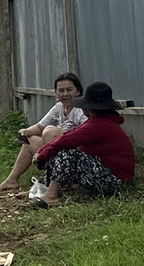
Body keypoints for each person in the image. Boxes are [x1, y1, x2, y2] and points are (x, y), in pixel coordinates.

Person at [30, 81, 134, 209]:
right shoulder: (98, 123)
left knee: (68, 153)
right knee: (63, 149)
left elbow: (65, 142)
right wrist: (43, 151)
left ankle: (51, 195)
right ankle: (45, 189)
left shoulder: (98, 125)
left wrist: (42, 155)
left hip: (115, 180)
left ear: (88, 109)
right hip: (108, 173)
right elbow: (68, 136)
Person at [0, 72, 86, 191]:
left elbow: (85, 133)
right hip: (57, 148)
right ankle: (11, 180)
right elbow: (39, 127)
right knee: (30, 140)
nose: (65, 94)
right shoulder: (58, 107)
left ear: (78, 91)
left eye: (69, 90)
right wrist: (25, 132)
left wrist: (59, 135)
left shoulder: (81, 110)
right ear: (56, 93)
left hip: (73, 154)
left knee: (50, 132)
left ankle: (56, 182)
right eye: (61, 90)